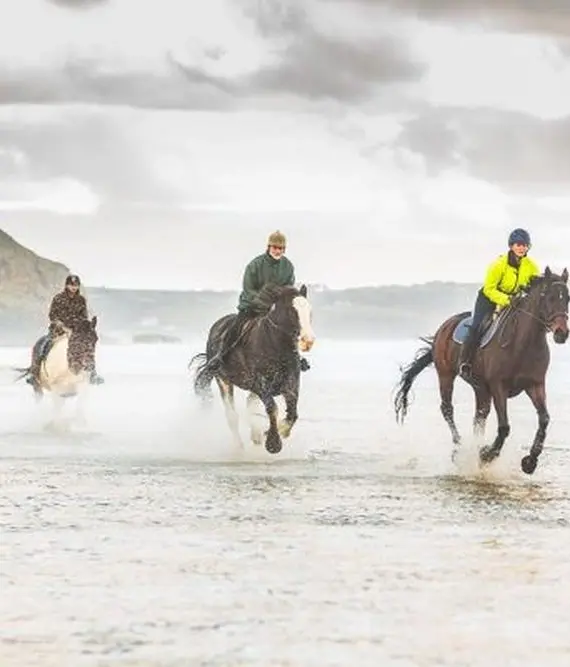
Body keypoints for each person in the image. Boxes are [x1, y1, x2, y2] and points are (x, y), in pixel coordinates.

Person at [209, 230, 310, 372]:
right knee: (236, 328)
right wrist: (264, 302)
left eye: (280, 248)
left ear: (284, 250)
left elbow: (288, 289)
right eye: (274, 247)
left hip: (275, 310)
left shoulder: (288, 266)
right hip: (251, 307)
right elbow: (248, 289)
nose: (277, 251)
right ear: (268, 247)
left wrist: (282, 304)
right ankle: (220, 356)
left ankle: (296, 358)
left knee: (289, 329)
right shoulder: (255, 265)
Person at [458, 228, 540, 380]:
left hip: (515, 301)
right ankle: (465, 362)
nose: (521, 247)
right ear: (511, 246)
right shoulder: (498, 264)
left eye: (524, 245)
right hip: (489, 298)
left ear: (528, 247)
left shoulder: (532, 266)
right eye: (518, 244)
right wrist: (507, 300)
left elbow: (534, 287)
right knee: (476, 326)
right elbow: (489, 289)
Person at [27, 274, 105, 386]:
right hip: (58, 330)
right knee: (43, 344)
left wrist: (82, 327)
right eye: (71, 285)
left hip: (76, 331)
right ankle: (35, 374)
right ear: (67, 285)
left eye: (76, 285)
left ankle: (92, 374)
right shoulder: (58, 298)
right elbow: (52, 315)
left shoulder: (81, 300)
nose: (74, 287)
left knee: (87, 347)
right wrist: (62, 326)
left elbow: (83, 316)